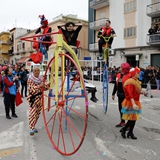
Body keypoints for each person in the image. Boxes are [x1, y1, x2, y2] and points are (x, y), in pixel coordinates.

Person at [120, 67, 147, 140]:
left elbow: (136, 92)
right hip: (131, 102)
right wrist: (133, 104)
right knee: (132, 118)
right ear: (134, 74)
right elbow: (130, 93)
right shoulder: (130, 82)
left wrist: (142, 93)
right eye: (138, 73)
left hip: (135, 101)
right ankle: (126, 130)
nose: (139, 74)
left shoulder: (135, 81)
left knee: (134, 119)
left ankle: (129, 132)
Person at [27, 67, 49, 135]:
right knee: (32, 113)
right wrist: (39, 86)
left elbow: (46, 87)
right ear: (33, 72)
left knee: (37, 114)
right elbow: (31, 90)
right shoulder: (30, 79)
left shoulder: (41, 78)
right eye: (35, 71)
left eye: (38, 70)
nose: (37, 72)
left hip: (40, 99)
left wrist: (48, 84)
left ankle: (33, 126)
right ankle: (31, 128)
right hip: (33, 98)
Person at [112, 62, 130, 127]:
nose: (120, 68)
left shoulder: (129, 76)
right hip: (119, 94)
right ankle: (122, 122)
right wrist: (113, 93)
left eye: (121, 67)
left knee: (127, 109)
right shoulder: (118, 75)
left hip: (126, 95)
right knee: (120, 109)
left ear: (124, 69)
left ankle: (128, 125)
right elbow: (116, 85)